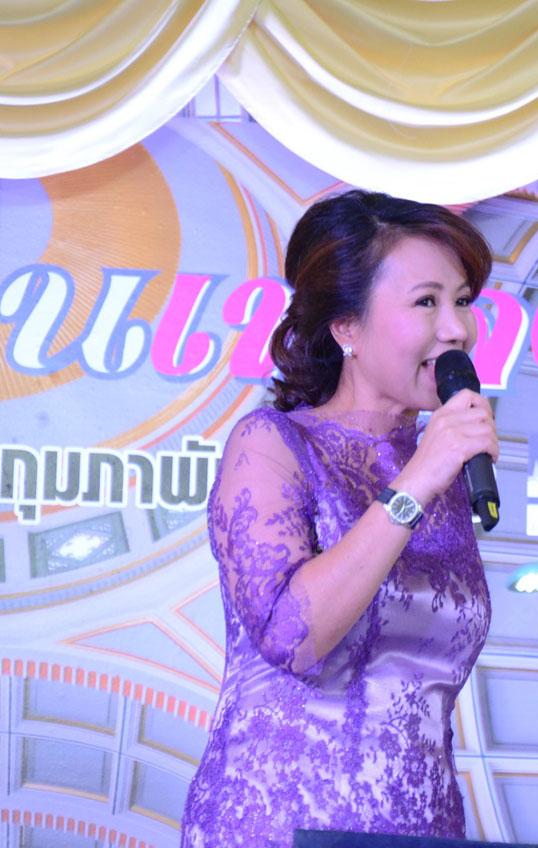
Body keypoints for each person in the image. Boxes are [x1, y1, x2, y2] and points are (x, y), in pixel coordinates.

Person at [181, 190, 498, 847]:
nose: (456, 330)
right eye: (426, 302)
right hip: (280, 824)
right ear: (346, 327)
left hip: (420, 828)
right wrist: (417, 481)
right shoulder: (272, 444)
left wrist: (427, 470)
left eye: (463, 301)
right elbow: (292, 639)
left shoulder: (442, 471)